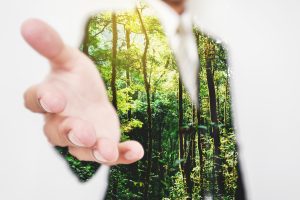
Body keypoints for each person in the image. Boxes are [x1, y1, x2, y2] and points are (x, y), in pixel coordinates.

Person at [22, 0, 245, 199]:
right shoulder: (110, 28)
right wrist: (75, 133)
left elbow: (224, 141)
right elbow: (83, 153)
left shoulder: (215, 49)